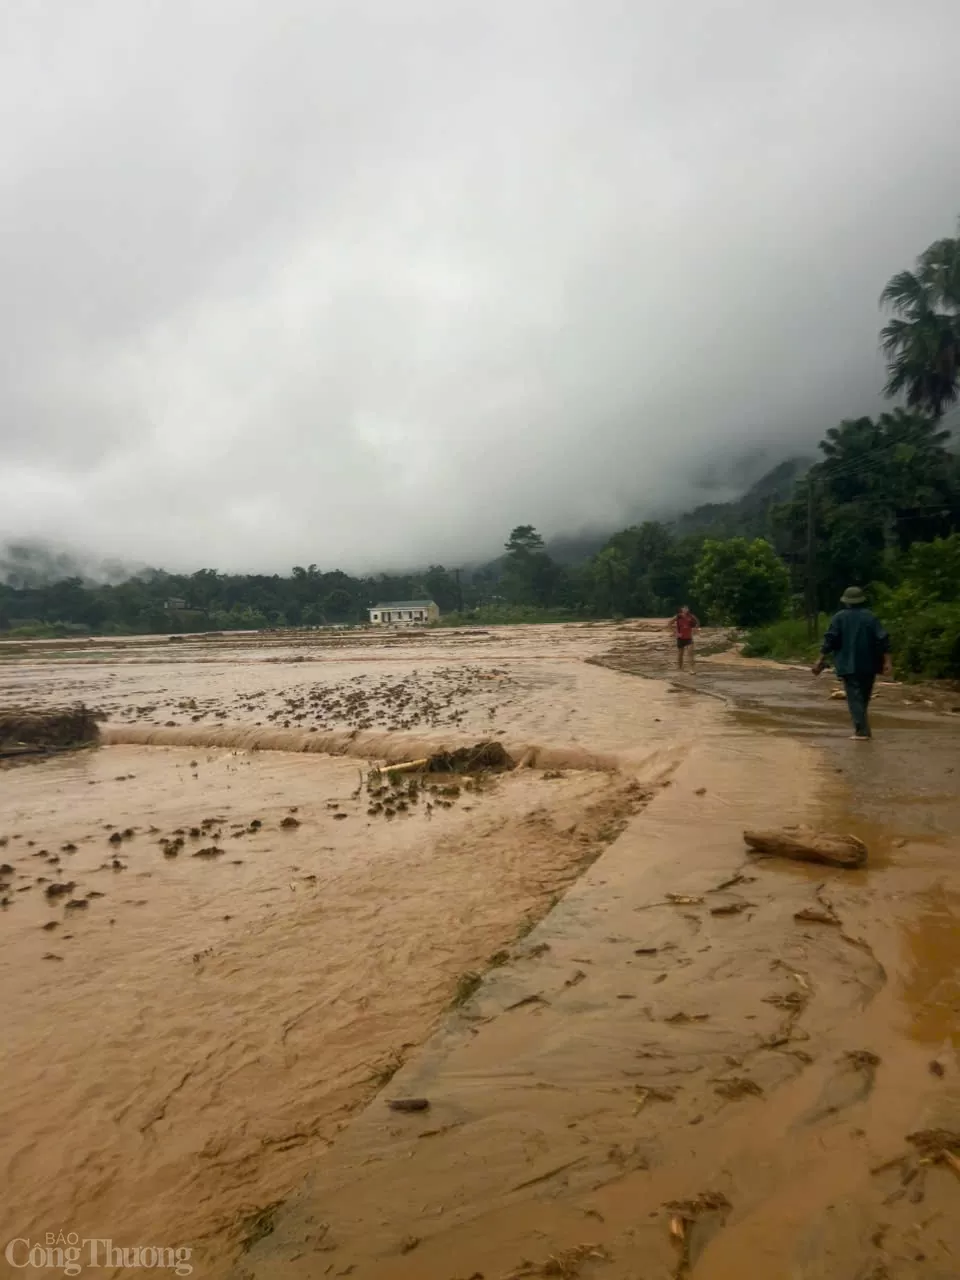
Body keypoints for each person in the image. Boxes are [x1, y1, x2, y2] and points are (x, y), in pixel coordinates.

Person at [812, 586, 892, 740]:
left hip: (848, 664)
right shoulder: (871, 617)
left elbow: (830, 640)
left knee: (854, 697)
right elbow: (883, 640)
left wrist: (820, 659)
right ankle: (863, 727)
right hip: (870, 663)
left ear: (846, 602)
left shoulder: (839, 618)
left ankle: (862, 731)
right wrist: (888, 661)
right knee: (864, 696)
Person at [668, 605, 700, 671]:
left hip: (689, 638)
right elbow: (669, 623)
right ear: (681, 609)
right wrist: (675, 632)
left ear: (688, 609)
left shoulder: (691, 616)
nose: (686, 610)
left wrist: (695, 629)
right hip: (680, 638)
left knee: (690, 654)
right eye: (684, 608)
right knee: (680, 654)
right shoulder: (678, 616)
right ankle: (680, 668)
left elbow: (697, 622)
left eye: (687, 608)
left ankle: (692, 669)